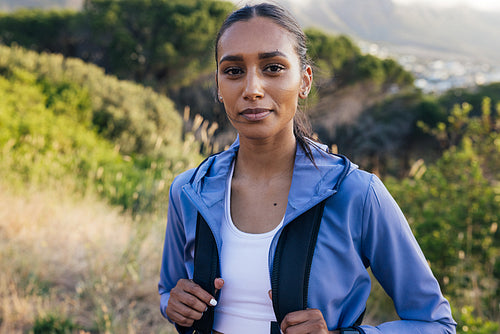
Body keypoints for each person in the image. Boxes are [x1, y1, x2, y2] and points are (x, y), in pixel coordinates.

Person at [158, 3, 457, 333]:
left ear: (304, 80)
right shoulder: (189, 190)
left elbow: (436, 324)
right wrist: (172, 303)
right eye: (233, 71)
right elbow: (168, 291)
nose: (252, 89)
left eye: (273, 68)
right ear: (218, 84)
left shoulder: (355, 193)